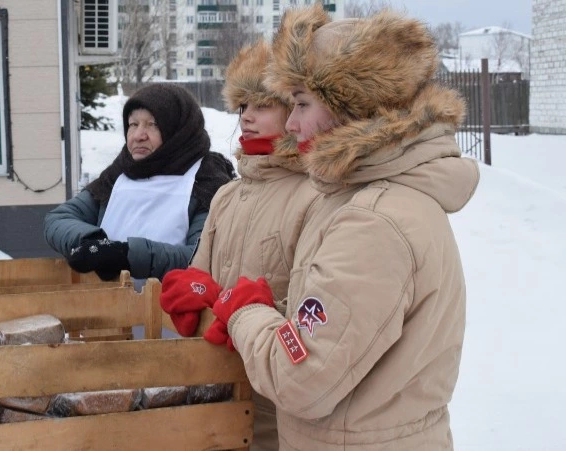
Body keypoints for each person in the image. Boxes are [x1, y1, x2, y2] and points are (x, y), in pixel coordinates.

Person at [196, 5, 481, 449]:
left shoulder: (374, 222)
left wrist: (247, 310)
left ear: (352, 106)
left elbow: (301, 377)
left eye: (303, 104)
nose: (291, 124)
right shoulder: (359, 201)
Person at [158, 40, 321, 450]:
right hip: (216, 399)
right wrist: (192, 291)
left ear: (294, 109)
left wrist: (243, 313)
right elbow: (201, 273)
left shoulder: (314, 196)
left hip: (275, 413)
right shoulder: (227, 195)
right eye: (241, 106)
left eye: (261, 105)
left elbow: (316, 314)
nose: (245, 116)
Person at [44, 83, 235, 281]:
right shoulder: (119, 173)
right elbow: (58, 219)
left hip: (170, 309)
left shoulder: (207, 179)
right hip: (107, 304)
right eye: (133, 124)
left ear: (179, 131)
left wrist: (126, 255)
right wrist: (90, 241)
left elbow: (199, 258)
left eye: (153, 125)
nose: (138, 136)